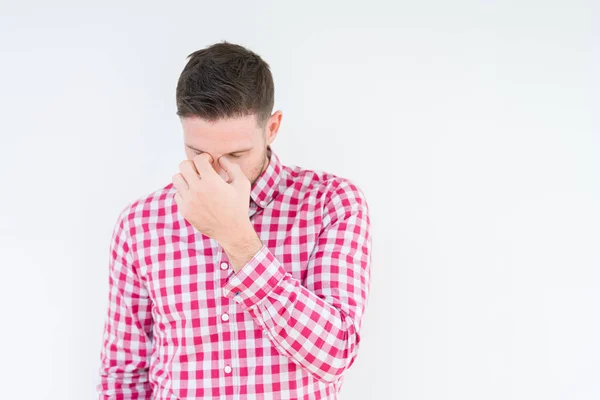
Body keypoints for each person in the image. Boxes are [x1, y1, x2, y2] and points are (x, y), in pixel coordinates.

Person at [96, 40, 372, 400]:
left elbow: (334, 354)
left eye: (236, 154)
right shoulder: (140, 223)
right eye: (197, 152)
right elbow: (123, 373)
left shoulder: (330, 203)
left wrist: (238, 238)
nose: (215, 169)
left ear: (272, 128)